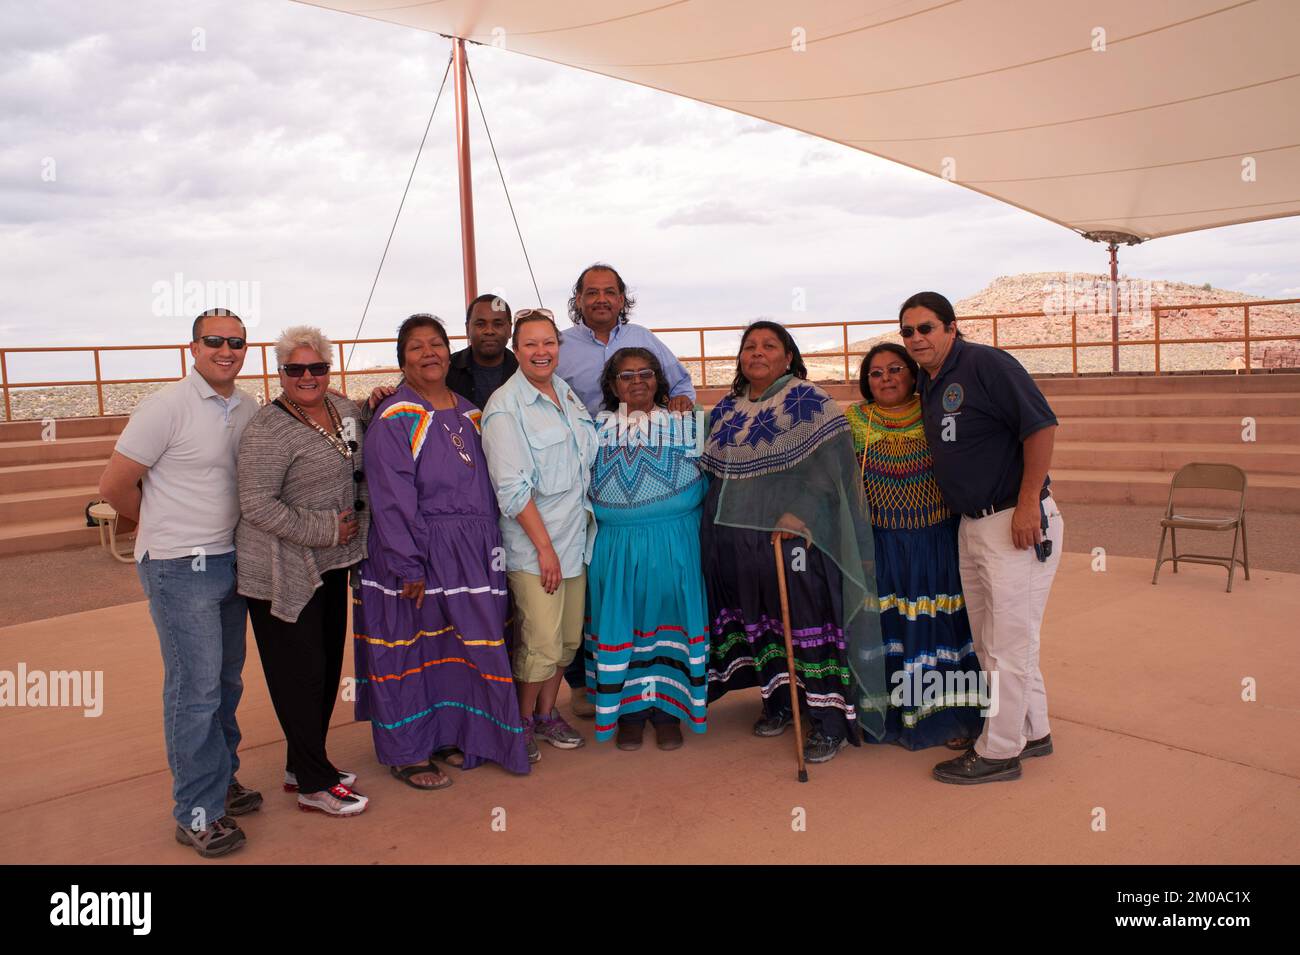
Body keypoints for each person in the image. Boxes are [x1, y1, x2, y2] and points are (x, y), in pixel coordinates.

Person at [97, 307, 260, 858]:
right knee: (196, 691)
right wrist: (162, 525)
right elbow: (114, 485)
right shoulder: (165, 407)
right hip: (176, 567)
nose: (226, 349)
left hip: (231, 561)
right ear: (192, 348)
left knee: (227, 684)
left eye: (237, 342)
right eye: (214, 340)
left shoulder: (247, 407)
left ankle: (221, 782)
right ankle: (196, 812)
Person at [355, 314, 530, 788]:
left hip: (473, 553)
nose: (429, 353)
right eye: (416, 347)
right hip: (417, 550)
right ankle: (408, 752)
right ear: (402, 360)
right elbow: (391, 496)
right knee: (410, 651)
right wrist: (406, 561)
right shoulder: (396, 417)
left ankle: (451, 733)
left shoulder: (473, 413)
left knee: (460, 648)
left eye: (436, 344)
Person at [700, 320, 886, 763]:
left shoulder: (807, 401)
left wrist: (799, 511)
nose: (757, 353)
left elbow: (830, 468)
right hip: (737, 543)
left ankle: (829, 722)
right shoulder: (726, 410)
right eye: (749, 346)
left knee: (805, 622)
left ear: (788, 356)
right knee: (761, 622)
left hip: (793, 540)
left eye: (769, 346)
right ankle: (780, 703)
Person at [897, 292, 1063, 785]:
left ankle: (999, 752)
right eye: (907, 332)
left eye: (925, 328)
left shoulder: (987, 364)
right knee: (993, 643)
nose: (916, 339)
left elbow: (1041, 427)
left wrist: (1029, 501)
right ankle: (1033, 730)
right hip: (973, 525)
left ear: (951, 327)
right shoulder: (931, 383)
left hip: (1016, 519)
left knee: (1010, 643)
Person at [236, 326, 371, 816]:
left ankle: (302, 765)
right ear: (281, 373)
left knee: (326, 667)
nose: (307, 377)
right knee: (301, 676)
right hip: (280, 570)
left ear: (329, 369)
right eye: (296, 369)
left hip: (333, 565)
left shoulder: (347, 411)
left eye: (317, 367)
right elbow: (255, 504)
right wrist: (324, 529)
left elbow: (362, 461)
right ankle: (316, 784)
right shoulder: (266, 429)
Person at [555, 262, 697, 716]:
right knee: (601, 597)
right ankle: (592, 687)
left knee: (658, 605)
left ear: (622, 298)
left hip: (654, 453)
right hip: (591, 469)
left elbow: (680, 386)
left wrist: (679, 402)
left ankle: (665, 699)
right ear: (578, 299)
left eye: (610, 292)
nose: (601, 299)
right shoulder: (559, 345)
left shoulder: (644, 338)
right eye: (591, 292)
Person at [846, 343, 984, 751]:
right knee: (888, 629)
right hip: (881, 546)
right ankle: (885, 716)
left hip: (935, 542)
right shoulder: (852, 421)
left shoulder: (936, 413)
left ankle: (948, 718)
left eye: (895, 369)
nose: (886, 378)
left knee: (938, 626)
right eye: (876, 373)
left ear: (912, 374)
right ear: (866, 382)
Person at [482, 308, 599, 763]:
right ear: (516, 351)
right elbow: (512, 489)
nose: (541, 351)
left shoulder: (565, 394)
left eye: (548, 342)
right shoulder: (505, 407)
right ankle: (522, 721)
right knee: (541, 644)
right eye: (530, 344)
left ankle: (549, 714)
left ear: (558, 346)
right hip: (536, 551)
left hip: (575, 542)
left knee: (568, 642)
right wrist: (545, 550)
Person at [585, 348, 708, 750]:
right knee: (626, 626)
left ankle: (668, 711)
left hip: (676, 542)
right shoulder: (593, 429)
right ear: (611, 384)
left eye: (646, 373)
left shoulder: (687, 423)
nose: (637, 381)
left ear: (659, 379)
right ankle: (630, 714)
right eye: (625, 375)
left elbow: (716, 473)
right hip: (616, 549)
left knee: (669, 620)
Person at [446, 293, 518, 409]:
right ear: (467, 329)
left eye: (498, 324)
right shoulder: (446, 370)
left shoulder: (525, 370)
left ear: (510, 330)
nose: (489, 331)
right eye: (480, 324)